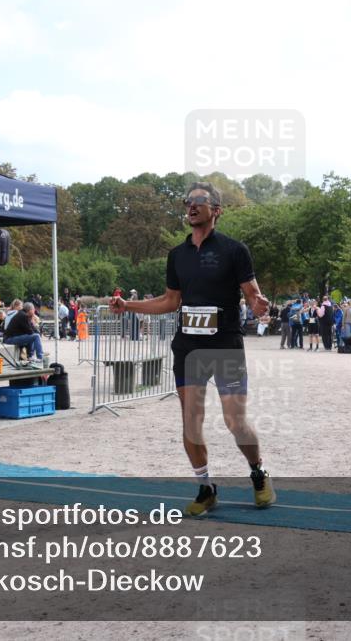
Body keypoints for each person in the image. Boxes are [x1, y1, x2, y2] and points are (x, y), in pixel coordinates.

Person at [108, 181, 274, 516]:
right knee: (191, 422)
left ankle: (258, 472)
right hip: (188, 347)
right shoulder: (177, 255)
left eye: (200, 200)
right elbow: (170, 301)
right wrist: (128, 306)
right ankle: (205, 487)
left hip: (225, 345)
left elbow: (252, 293)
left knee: (235, 421)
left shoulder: (234, 250)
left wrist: (259, 305)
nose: (192, 206)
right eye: (188, 201)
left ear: (217, 210)